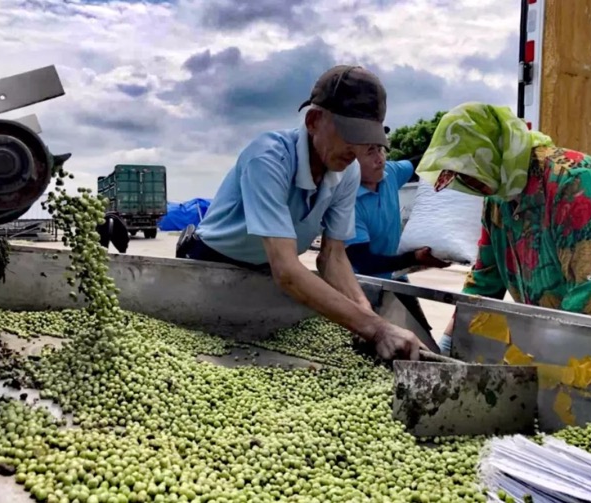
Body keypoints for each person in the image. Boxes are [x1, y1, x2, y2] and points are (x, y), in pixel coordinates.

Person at [177, 65, 427, 361]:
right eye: (350, 134)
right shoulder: (268, 159)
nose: (355, 150)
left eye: (365, 138)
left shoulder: (345, 172)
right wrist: (377, 329)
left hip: (263, 273)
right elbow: (286, 269)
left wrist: (365, 315)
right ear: (313, 121)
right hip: (209, 267)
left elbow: (332, 257)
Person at [412, 102, 591, 355]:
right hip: (561, 334)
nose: (468, 182)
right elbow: (484, 281)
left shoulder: (574, 182)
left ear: (494, 151)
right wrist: (451, 341)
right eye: (460, 176)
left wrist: (546, 355)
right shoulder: (498, 198)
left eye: (470, 170)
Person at [345, 142, 450, 331]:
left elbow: (421, 163)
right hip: (364, 286)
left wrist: (449, 150)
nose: (380, 158)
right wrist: (413, 259)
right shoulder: (348, 203)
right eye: (370, 152)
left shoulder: (389, 173)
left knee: (421, 333)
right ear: (350, 161)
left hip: (395, 276)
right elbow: (364, 261)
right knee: (380, 343)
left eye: (380, 149)